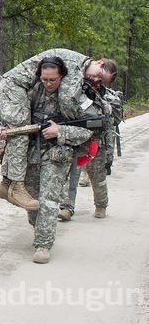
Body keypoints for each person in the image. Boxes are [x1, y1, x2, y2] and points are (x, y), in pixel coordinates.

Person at [0, 49, 117, 213]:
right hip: (13, 86)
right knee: (21, 130)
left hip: (16, 87)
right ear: (100, 62)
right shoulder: (74, 66)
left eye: (100, 81)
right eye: (98, 75)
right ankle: (15, 184)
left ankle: (6, 183)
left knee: (17, 129)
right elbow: (66, 100)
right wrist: (75, 117)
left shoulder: (77, 70)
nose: (95, 79)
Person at [12, 57, 93, 263]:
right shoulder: (31, 92)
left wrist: (60, 130)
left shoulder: (73, 97)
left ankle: (43, 244)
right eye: (44, 79)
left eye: (53, 80)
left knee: (49, 199)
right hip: (31, 152)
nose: (48, 84)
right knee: (31, 197)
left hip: (57, 154)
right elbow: (16, 116)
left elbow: (88, 130)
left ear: (62, 77)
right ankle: (39, 229)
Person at [58, 68, 120, 221]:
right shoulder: (75, 94)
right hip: (76, 142)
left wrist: (109, 155)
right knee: (70, 175)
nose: (96, 83)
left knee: (97, 177)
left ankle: (101, 205)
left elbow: (109, 129)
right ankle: (66, 207)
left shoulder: (105, 101)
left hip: (96, 144)